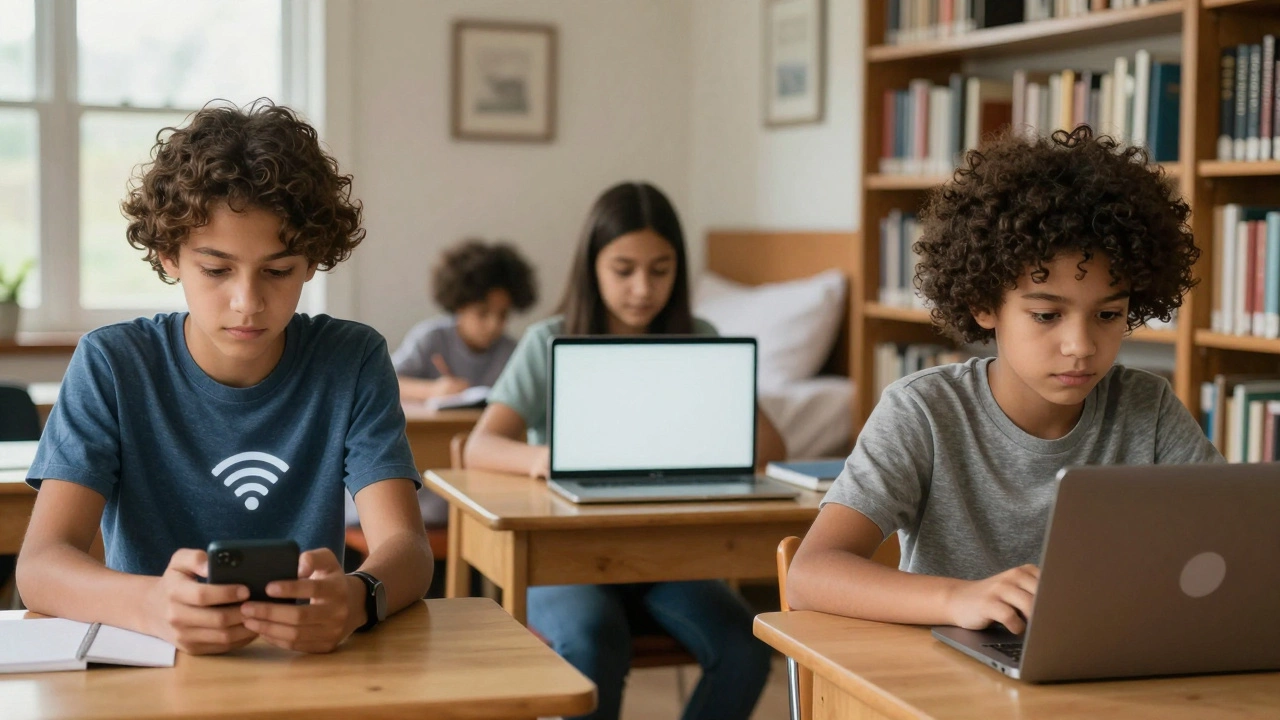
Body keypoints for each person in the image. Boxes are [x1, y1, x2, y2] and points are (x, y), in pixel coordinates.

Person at [16, 101, 433, 655]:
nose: (247, 302)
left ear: (312, 261)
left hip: (305, 664)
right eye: (216, 269)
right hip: (151, 661)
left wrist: (357, 598)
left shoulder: (351, 359)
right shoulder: (112, 363)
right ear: (168, 255)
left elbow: (407, 548)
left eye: (278, 271)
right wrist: (151, 605)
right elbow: (40, 567)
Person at [786, 126, 1223, 632]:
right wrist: (958, 598)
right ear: (983, 304)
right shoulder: (924, 411)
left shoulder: (1148, 408)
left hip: (1100, 658)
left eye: (1107, 315)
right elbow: (809, 575)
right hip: (942, 669)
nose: (1081, 345)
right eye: (1046, 316)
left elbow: (1234, 541)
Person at [464, 181, 783, 720]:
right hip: (564, 557)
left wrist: (718, 423)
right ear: (592, 266)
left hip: (669, 555)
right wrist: (549, 461)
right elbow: (481, 445)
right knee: (594, 642)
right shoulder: (549, 340)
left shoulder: (699, 337)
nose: (642, 288)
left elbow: (771, 445)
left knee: (745, 648)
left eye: (660, 270)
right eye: (624, 269)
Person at [392, 239, 537, 403]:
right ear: (459, 307)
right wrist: (431, 390)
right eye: (482, 313)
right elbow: (385, 382)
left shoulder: (513, 353)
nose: (494, 325)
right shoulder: (431, 338)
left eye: (503, 315)